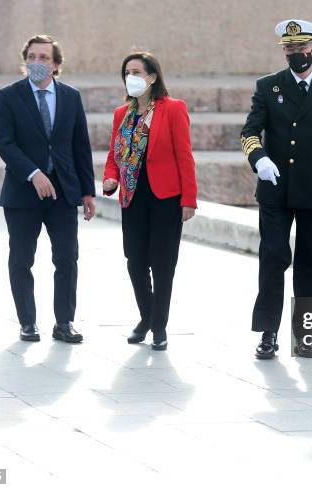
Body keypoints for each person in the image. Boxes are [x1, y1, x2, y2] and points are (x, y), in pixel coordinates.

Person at [241, 20, 312, 359]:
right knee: (272, 257)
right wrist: (259, 159)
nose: (296, 54)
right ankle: (267, 332)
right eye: (290, 49)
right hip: (275, 189)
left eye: (302, 48)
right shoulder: (268, 86)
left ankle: (306, 335)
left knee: (311, 263)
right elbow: (250, 132)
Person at [0, 35, 96, 343]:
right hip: (22, 193)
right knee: (22, 258)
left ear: (56, 64)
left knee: (67, 257)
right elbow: (5, 144)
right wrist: (34, 173)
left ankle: (64, 322)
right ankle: (27, 322)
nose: (37, 62)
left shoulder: (70, 97)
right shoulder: (8, 96)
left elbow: (81, 147)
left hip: (63, 191)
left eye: (44, 58)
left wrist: (87, 192)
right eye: (32, 57)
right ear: (25, 60)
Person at [103, 51, 197, 351]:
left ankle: (159, 327)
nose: (131, 77)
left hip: (166, 197)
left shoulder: (173, 109)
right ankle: (147, 316)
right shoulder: (122, 114)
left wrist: (189, 198)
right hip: (133, 197)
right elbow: (113, 155)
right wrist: (110, 177)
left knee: (163, 263)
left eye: (136, 72)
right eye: (127, 72)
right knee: (135, 260)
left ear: (152, 77)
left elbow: (185, 156)